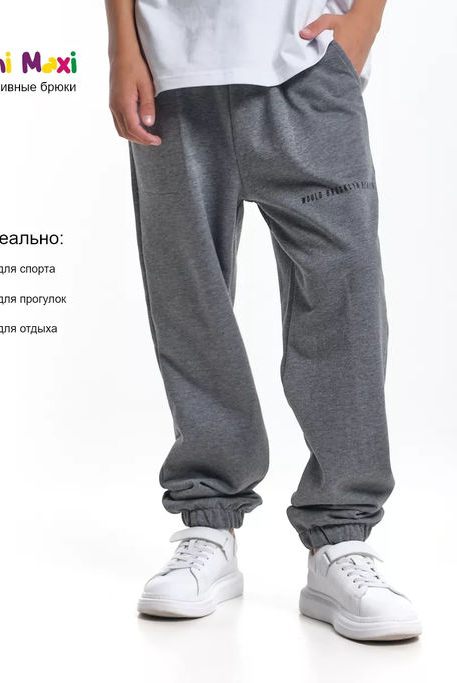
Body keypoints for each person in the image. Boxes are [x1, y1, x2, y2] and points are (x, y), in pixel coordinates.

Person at [105, 0, 422, 641]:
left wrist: (365, 20)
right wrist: (122, 45)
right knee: (189, 295)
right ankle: (208, 522)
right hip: (170, 67)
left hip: (306, 63)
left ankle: (342, 536)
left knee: (344, 294)